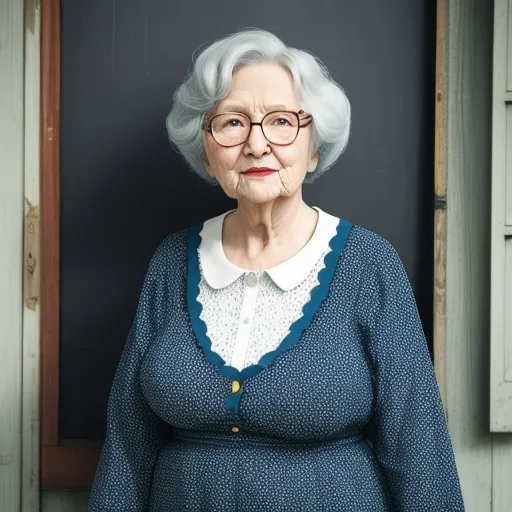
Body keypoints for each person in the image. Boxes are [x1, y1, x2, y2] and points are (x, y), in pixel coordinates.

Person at [88, 28, 464, 511]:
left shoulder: (369, 264)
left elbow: (419, 446)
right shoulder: (170, 260)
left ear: (313, 148)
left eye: (282, 122)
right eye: (232, 123)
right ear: (207, 151)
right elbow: (128, 443)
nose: (257, 144)